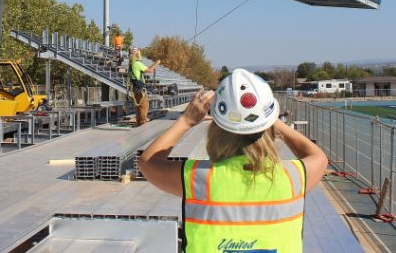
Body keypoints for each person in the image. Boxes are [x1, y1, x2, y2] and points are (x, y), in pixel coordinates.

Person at [139, 68, 328, 253]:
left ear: (217, 127)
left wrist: (186, 120)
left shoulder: (199, 179)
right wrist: (270, 119)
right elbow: (318, 157)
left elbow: (148, 162)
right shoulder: (292, 177)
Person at [128, 47, 161, 126]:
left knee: (138, 109)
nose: (140, 53)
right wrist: (157, 63)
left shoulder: (131, 64)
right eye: (138, 52)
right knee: (144, 108)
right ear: (136, 54)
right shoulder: (136, 63)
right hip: (140, 90)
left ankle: (139, 124)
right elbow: (149, 70)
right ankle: (142, 126)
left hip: (136, 89)